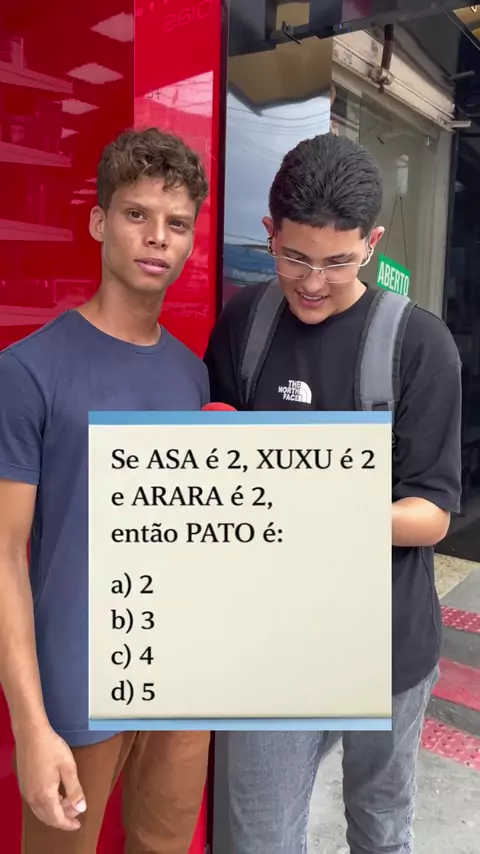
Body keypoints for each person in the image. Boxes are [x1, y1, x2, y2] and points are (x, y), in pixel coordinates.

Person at [204, 132, 462, 854]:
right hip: (273, 644)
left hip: (386, 647)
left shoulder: (420, 346)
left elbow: (431, 513)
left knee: (380, 828)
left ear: (372, 244)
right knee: (258, 838)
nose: (313, 282)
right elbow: (215, 448)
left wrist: (314, 509)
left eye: (338, 262)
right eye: (294, 258)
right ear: (269, 233)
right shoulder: (245, 323)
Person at [0, 127, 211, 853]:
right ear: (98, 221)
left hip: (181, 685)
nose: (157, 238)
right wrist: (31, 726)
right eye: (137, 214)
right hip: (75, 692)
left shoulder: (191, 375)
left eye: (176, 223)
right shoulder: (29, 371)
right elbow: (6, 556)